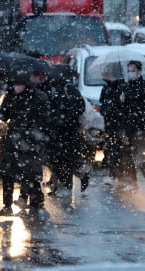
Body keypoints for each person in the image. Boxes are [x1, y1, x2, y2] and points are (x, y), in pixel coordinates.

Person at [0, 68, 50, 216]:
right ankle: (7, 206)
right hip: (13, 138)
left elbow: (44, 119)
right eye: (14, 83)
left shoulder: (38, 97)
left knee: (30, 173)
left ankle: (35, 203)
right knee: (7, 173)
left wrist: (35, 134)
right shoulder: (10, 96)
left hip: (31, 140)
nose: (16, 86)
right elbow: (3, 116)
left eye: (20, 83)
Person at [117, 61, 145, 191]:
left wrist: (142, 114)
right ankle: (132, 182)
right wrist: (121, 101)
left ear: (139, 71)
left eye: (133, 70)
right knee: (126, 154)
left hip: (141, 126)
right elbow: (121, 109)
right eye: (129, 70)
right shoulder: (125, 88)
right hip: (128, 126)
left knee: (137, 154)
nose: (131, 73)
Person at [43, 64, 87, 196]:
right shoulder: (49, 88)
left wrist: (66, 116)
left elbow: (80, 106)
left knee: (67, 159)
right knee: (54, 159)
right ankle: (59, 184)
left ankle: (68, 185)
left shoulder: (69, 88)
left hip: (69, 131)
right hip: (54, 131)